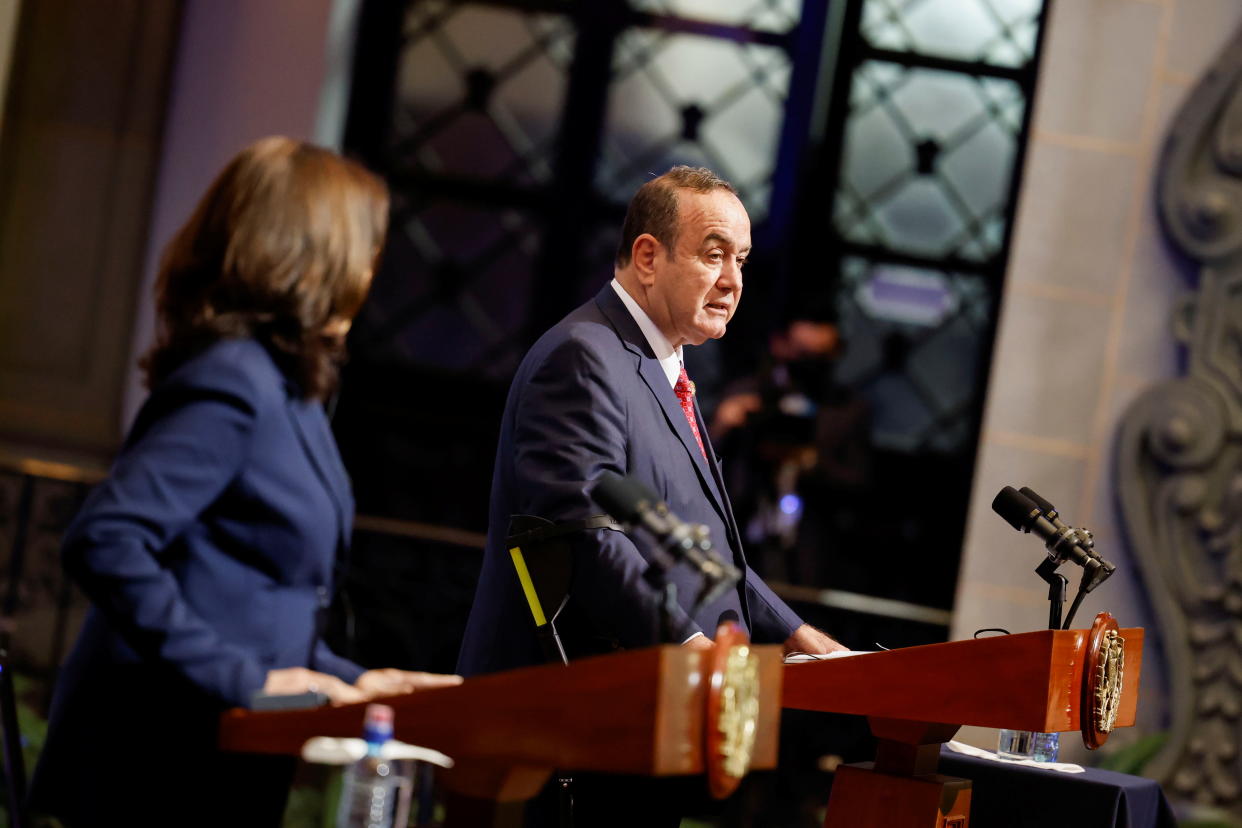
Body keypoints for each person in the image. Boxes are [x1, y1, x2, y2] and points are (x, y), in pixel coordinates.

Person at [28, 137, 461, 827]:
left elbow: (249, 598)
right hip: (153, 764)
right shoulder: (234, 380)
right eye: (365, 247)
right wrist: (244, 682)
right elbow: (106, 539)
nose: (372, 268)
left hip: (214, 760)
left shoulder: (289, 388)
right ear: (313, 253)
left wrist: (356, 681)